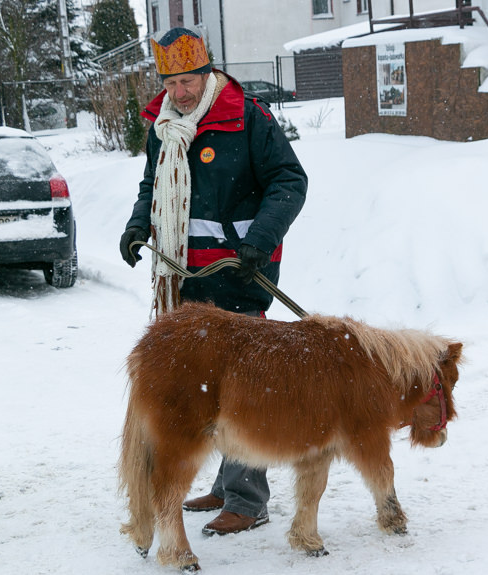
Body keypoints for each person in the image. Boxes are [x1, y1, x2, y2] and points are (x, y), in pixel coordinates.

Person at [119, 27, 307, 536]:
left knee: (243, 390)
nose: (179, 93)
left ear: (208, 73)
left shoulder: (248, 117)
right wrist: (140, 224)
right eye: (171, 82)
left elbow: (290, 181)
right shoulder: (163, 126)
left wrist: (260, 240)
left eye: (188, 80)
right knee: (205, 386)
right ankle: (227, 486)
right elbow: (152, 183)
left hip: (238, 270)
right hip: (185, 275)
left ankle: (248, 501)